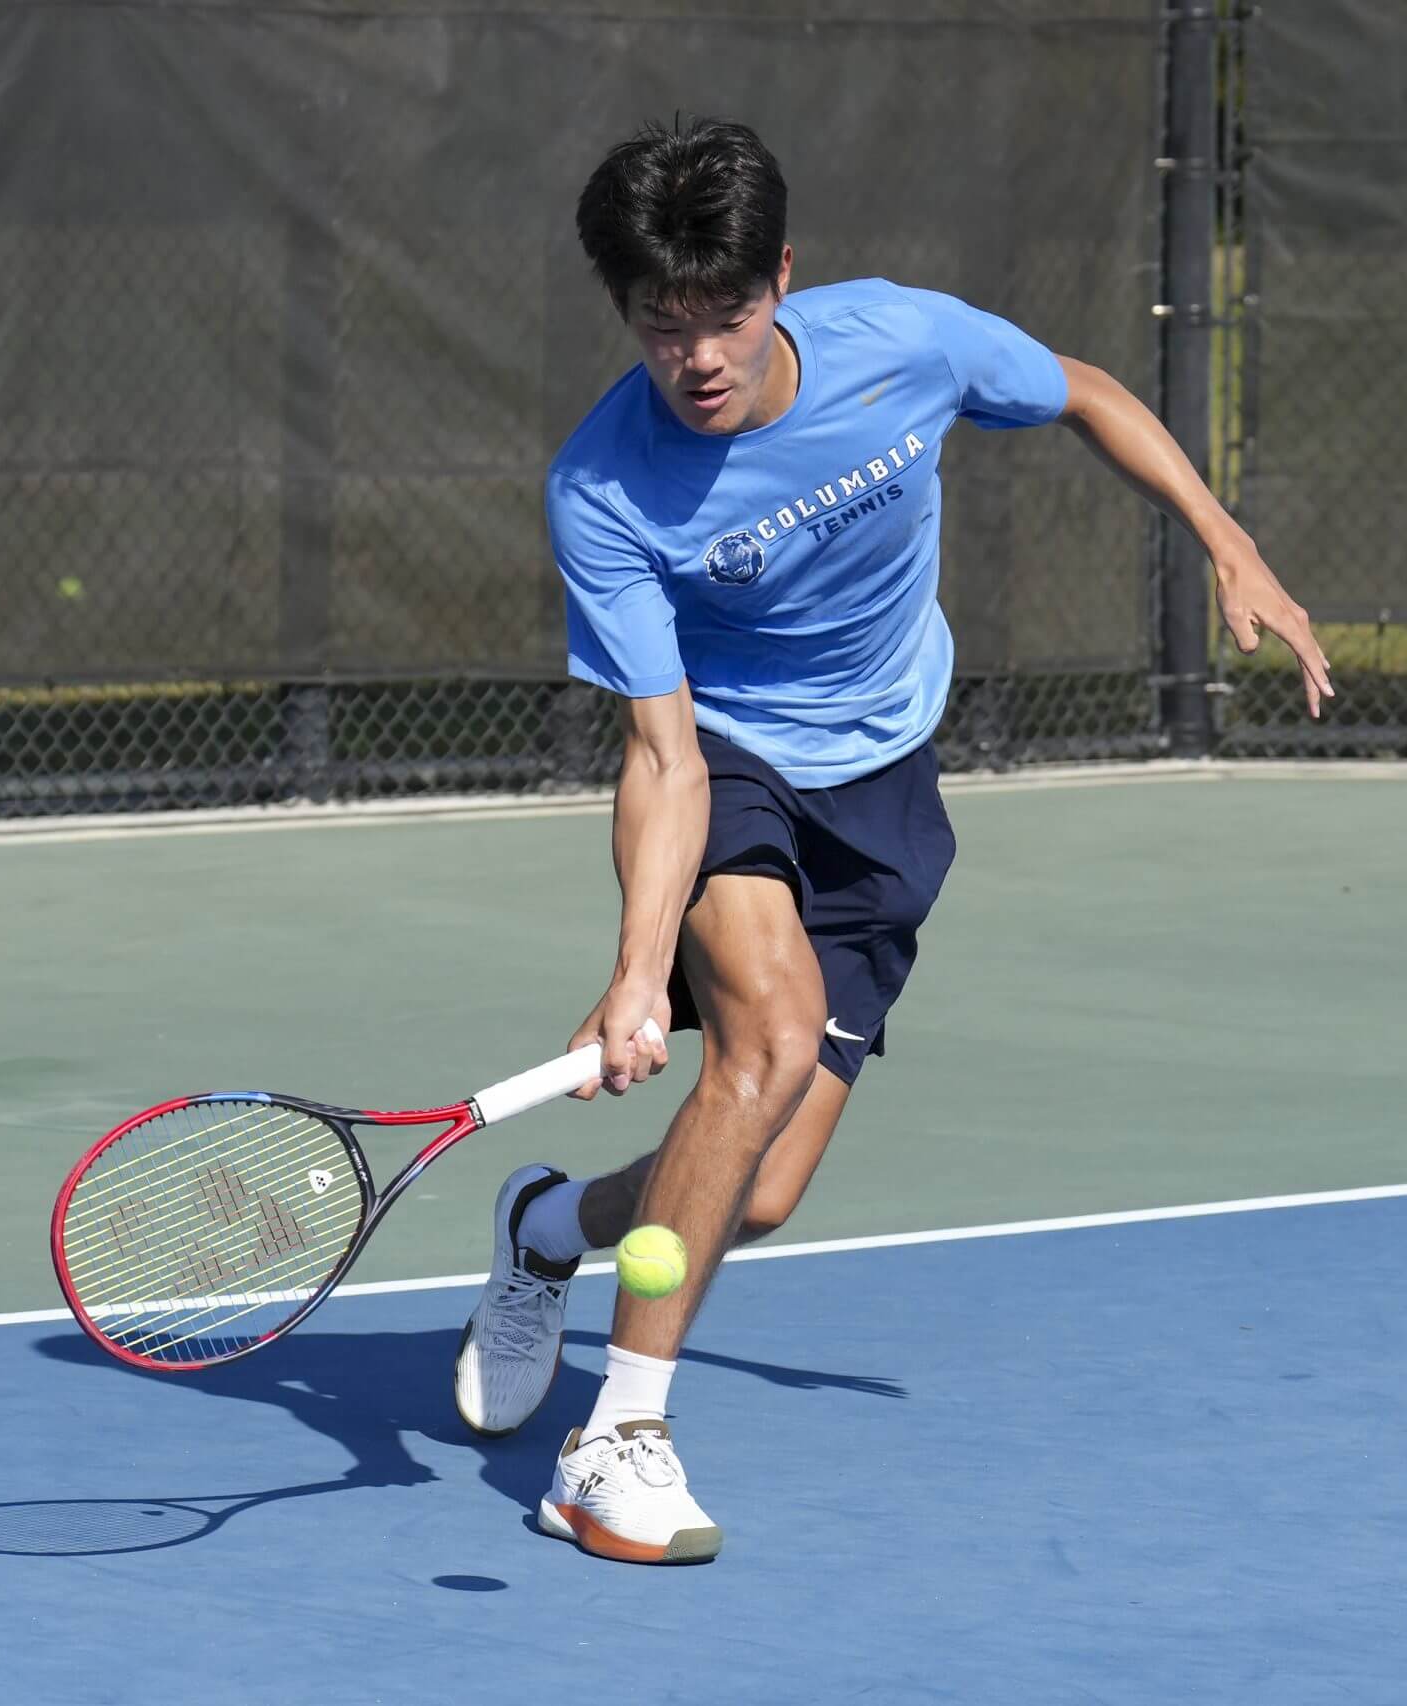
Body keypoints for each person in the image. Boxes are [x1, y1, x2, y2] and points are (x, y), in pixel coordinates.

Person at [452, 116, 1332, 1565]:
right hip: (731, 755)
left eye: (727, 319)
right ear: (627, 315)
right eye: (663, 328)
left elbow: (1087, 391)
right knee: (766, 1038)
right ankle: (615, 1443)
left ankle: (553, 1222)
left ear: (782, 279)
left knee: (768, 1185)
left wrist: (1224, 537)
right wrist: (632, 972)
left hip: (882, 773)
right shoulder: (604, 488)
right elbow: (664, 751)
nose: (701, 360)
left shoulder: (905, 346)